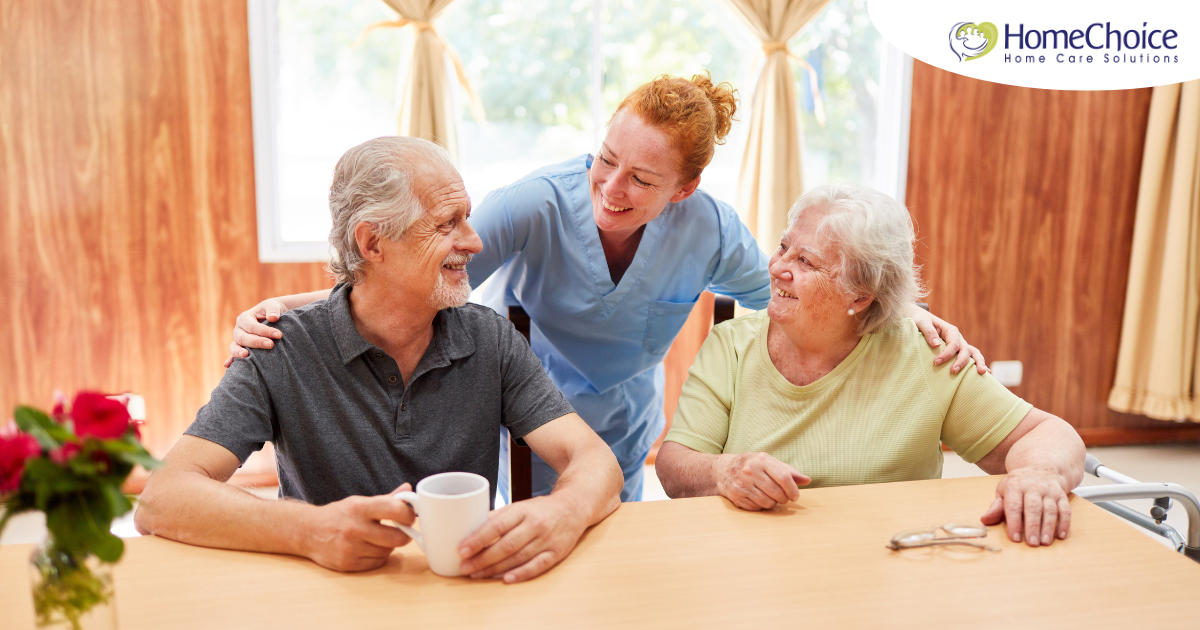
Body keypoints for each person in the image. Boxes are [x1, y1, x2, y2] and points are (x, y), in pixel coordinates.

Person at [224, 74, 987, 503]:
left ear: (684, 190)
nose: (611, 188)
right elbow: (417, 273)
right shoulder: (534, 204)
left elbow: (799, 288)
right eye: (604, 159)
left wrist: (908, 314)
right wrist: (291, 310)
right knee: (513, 527)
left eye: (642, 179)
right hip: (520, 401)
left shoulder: (711, 229)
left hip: (622, 419)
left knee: (606, 537)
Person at [135, 137, 623, 582]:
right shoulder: (278, 348)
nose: (474, 241)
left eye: (467, 218)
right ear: (372, 243)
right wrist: (309, 529)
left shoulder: (489, 339)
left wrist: (564, 512)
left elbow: (595, 460)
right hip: (325, 595)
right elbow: (162, 498)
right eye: (446, 223)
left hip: (462, 590)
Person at [655, 184, 1085, 547]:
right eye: (784, 247)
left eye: (806, 261)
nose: (778, 268)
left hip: (889, 564)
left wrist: (1038, 474)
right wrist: (723, 471)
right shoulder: (731, 347)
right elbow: (675, 466)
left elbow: (1046, 433)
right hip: (753, 560)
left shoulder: (924, 355)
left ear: (860, 297)